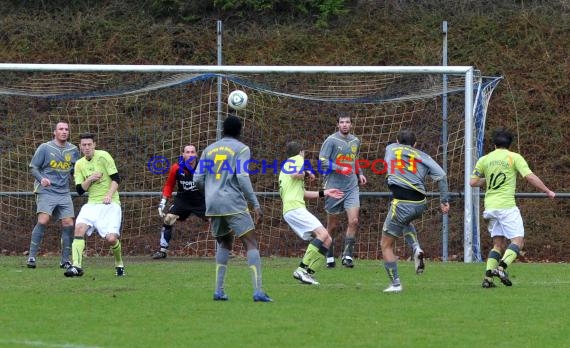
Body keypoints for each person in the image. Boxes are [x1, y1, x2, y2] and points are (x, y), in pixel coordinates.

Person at [194, 115, 272, 302]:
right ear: (239, 131)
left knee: (224, 244)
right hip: (233, 202)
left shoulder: (208, 149)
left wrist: (211, 191)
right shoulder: (241, 149)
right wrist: (255, 204)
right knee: (250, 242)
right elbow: (243, 177)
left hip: (213, 204)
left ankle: (219, 291)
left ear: (223, 130)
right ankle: (258, 291)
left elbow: (197, 179)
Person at [470, 128, 555, 288]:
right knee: (518, 241)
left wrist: (486, 179)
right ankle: (501, 268)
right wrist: (547, 191)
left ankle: (488, 279)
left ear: (494, 144)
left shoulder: (485, 159)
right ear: (510, 144)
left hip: (490, 207)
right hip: (506, 206)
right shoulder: (514, 157)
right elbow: (529, 176)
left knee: (498, 244)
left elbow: (473, 182)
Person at [380, 130, 450, 293]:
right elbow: (441, 176)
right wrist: (444, 201)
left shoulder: (390, 148)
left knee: (385, 245)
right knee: (405, 223)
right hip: (420, 203)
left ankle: (395, 284)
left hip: (402, 202)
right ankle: (416, 247)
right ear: (415, 144)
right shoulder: (422, 155)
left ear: (397, 140)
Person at [279, 141, 344, 285]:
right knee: (323, 234)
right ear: (301, 152)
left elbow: (303, 193)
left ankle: (308, 273)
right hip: (294, 208)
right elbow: (296, 174)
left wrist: (325, 192)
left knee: (327, 240)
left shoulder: (287, 165)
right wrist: (307, 172)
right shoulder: (296, 160)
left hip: (292, 208)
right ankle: (301, 269)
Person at [64, 133, 125, 277]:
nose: (86, 148)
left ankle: (119, 263)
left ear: (94, 145)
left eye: (89, 145)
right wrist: (90, 179)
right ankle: (76, 266)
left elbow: (116, 179)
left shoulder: (104, 156)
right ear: (80, 146)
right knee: (78, 228)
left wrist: (109, 195)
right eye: (83, 145)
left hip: (110, 204)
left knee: (111, 239)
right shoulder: (79, 164)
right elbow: (79, 190)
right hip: (91, 204)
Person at [27, 121, 80, 269]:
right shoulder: (45, 147)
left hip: (63, 192)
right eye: (61, 129)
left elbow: (76, 169)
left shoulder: (73, 149)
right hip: (46, 191)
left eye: (66, 129)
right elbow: (33, 167)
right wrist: (41, 178)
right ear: (54, 132)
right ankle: (31, 256)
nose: (64, 131)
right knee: (43, 220)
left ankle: (65, 260)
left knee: (69, 224)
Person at [319, 114, 367, 268]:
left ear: (351, 124)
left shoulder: (355, 140)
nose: (345, 125)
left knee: (354, 221)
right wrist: (340, 168)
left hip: (352, 186)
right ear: (338, 125)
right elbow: (323, 160)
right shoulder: (331, 140)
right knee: (332, 225)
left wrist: (359, 173)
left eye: (347, 122)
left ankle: (347, 256)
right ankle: (329, 254)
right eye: (342, 122)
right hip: (334, 187)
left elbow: (354, 159)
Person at [152, 144, 208, 259]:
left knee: (217, 220)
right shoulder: (176, 168)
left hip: (200, 201)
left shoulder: (204, 167)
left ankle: (224, 251)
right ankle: (163, 251)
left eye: (193, 152)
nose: (190, 154)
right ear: (183, 155)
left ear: (196, 155)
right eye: (187, 152)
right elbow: (169, 185)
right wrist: (163, 201)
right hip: (183, 200)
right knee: (168, 219)